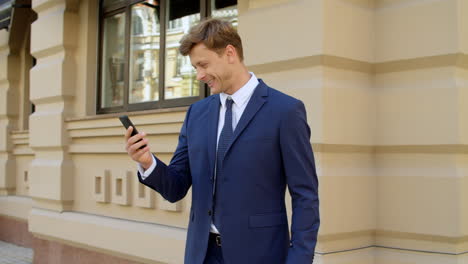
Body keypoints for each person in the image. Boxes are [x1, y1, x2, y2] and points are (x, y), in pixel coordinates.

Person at [125, 18, 319, 264]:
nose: (199, 75)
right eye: (195, 67)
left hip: (261, 255)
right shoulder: (196, 114)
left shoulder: (285, 111)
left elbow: (305, 195)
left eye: (203, 65)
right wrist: (146, 162)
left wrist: (299, 260)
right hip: (202, 255)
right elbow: (176, 187)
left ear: (230, 53)